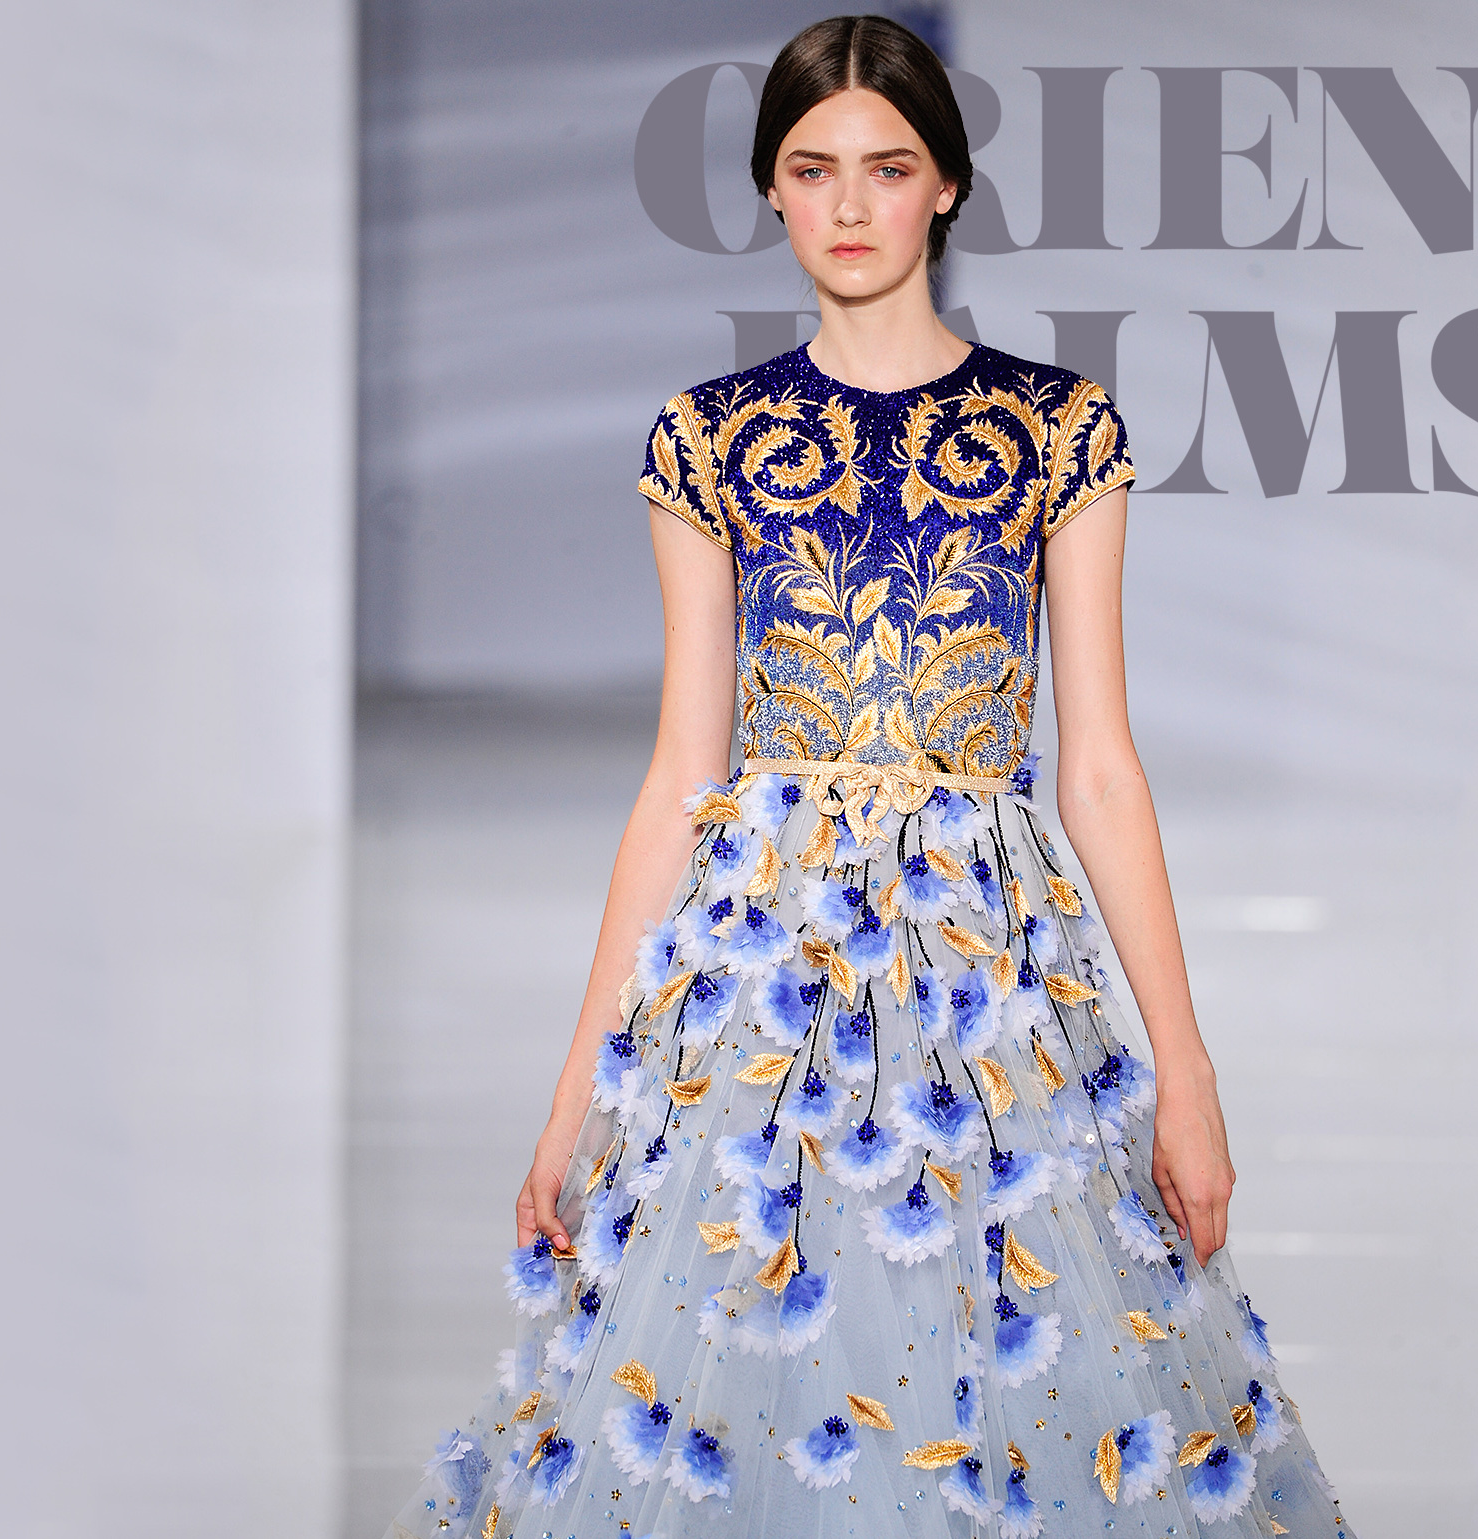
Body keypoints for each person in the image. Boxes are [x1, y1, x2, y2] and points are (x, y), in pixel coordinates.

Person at [380, 16, 1354, 1537]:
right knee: (752, 1386)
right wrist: (576, 1099)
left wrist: (1189, 1075)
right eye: (812, 168)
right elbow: (681, 774)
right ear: (769, 190)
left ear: (946, 186)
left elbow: (1098, 766)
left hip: (994, 992)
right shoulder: (711, 440)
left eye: (887, 169)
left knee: (1017, 1384)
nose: (848, 205)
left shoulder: (1056, 430)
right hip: (760, 991)